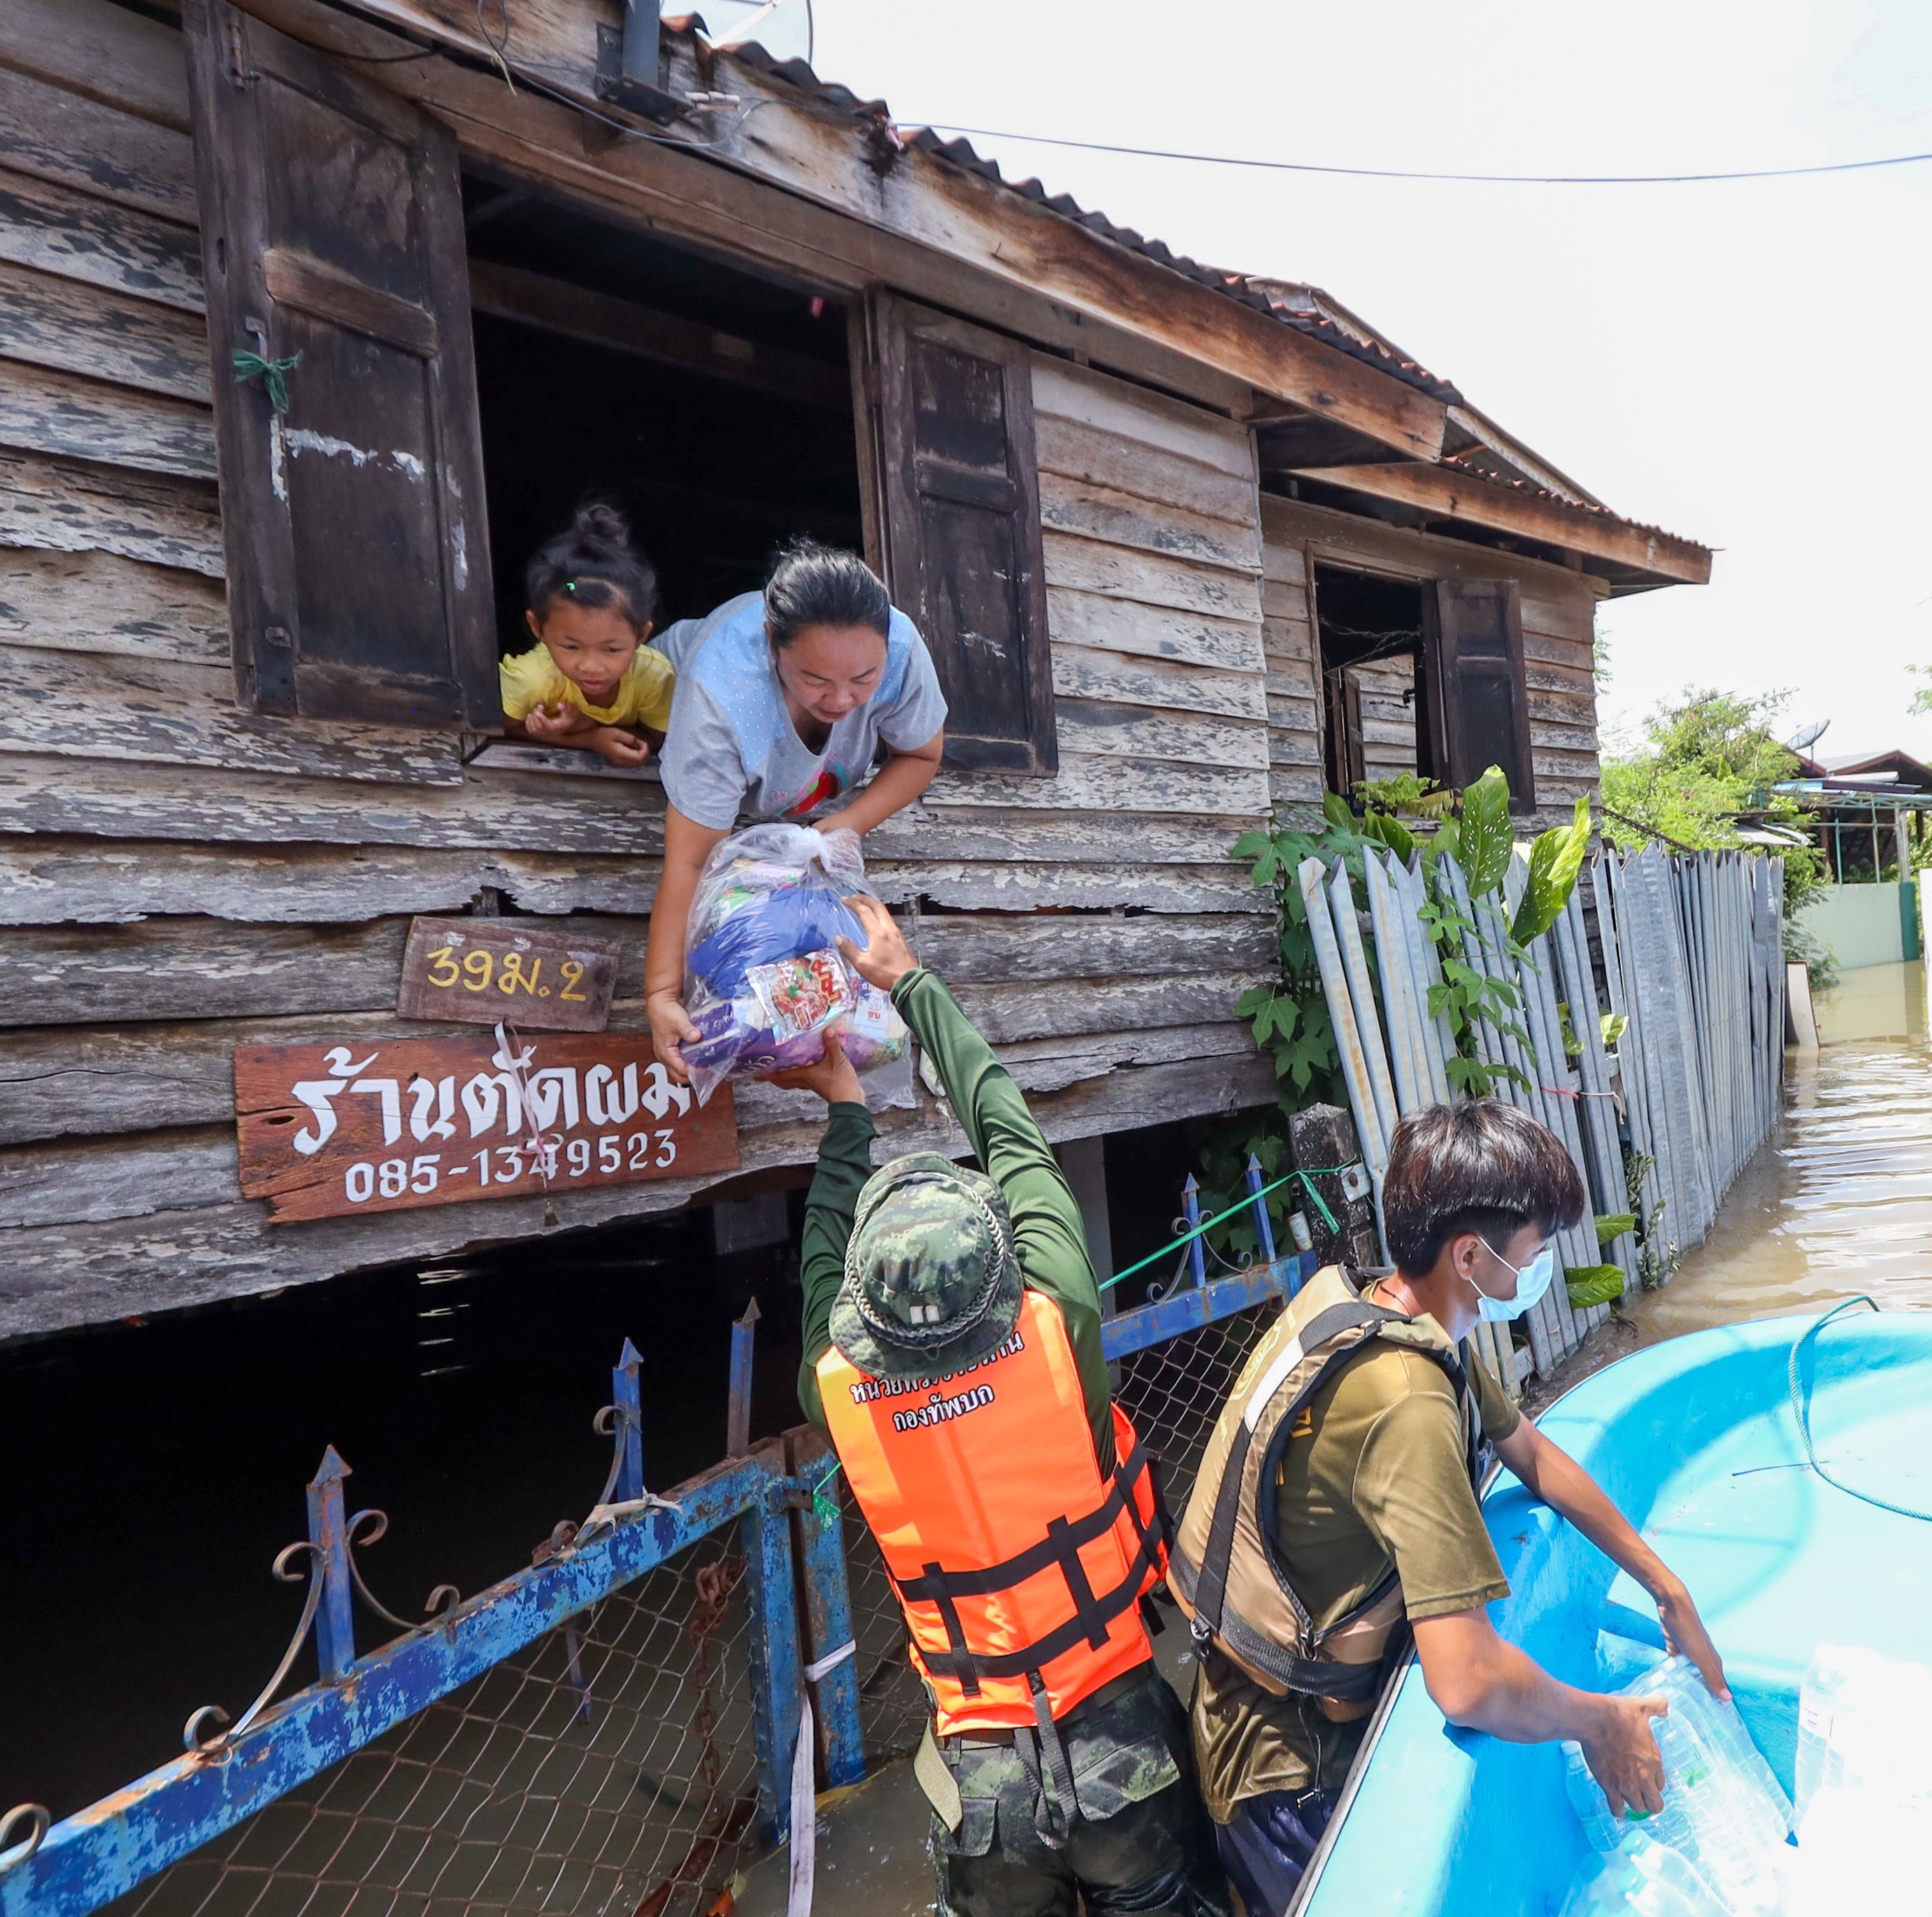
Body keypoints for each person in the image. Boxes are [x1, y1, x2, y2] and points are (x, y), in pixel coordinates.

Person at [775, 896, 1229, 1917]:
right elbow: (1011, 1133)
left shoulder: (836, 1391)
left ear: (863, 1311)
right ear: (996, 1266)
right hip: (1122, 1748)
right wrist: (910, 981)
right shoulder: (1055, 1328)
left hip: (980, 1789)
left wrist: (844, 1114)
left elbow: (813, 1265)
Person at [1171, 1098, 1728, 1917]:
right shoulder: (1404, 1401)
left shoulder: (1395, 1312)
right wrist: (1603, 1723)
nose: (1538, 1271)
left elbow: (1531, 1453)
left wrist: (1665, 1586)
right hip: (1286, 1775)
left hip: (1254, 1715)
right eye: (1534, 1252)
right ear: (1471, 1254)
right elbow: (1467, 1683)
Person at [645, 542, 946, 1080]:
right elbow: (691, 860)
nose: (840, 700)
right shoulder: (719, 691)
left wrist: (841, 826)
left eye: (863, 679)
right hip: (650, 677)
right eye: (815, 679)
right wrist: (663, 993)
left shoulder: (899, 647)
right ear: (771, 644)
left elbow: (922, 754)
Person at [498, 503, 675, 768]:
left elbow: (658, 740)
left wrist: (582, 728)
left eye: (611, 649)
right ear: (537, 628)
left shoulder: (654, 678)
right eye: (571, 646)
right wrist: (589, 739)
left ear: (642, 635)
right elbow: (498, 729)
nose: (591, 666)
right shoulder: (529, 680)